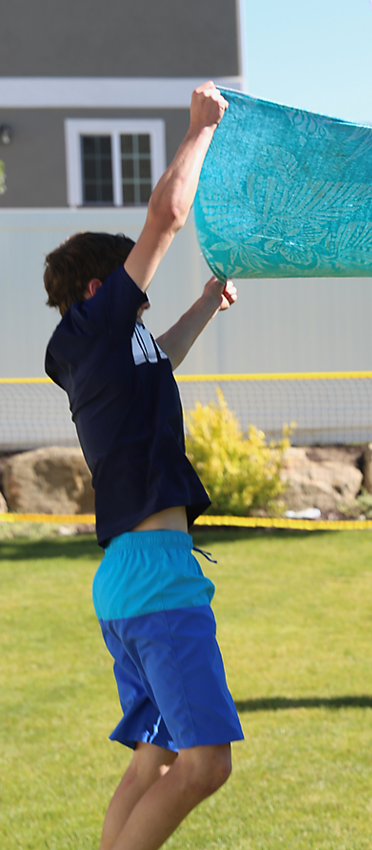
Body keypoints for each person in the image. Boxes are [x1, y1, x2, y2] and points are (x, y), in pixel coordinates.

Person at [43, 83, 243, 850]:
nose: (142, 302)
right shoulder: (95, 329)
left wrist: (204, 304)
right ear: (99, 290)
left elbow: (158, 361)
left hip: (130, 577)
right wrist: (197, 131)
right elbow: (165, 216)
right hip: (156, 577)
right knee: (205, 764)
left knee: (152, 762)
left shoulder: (106, 355)